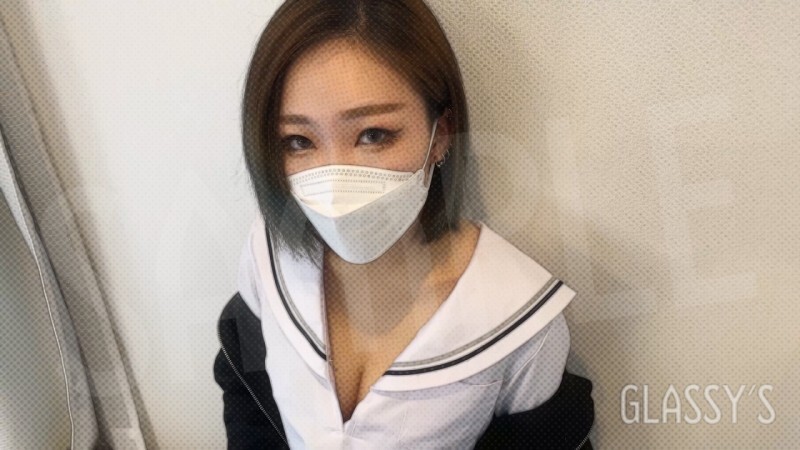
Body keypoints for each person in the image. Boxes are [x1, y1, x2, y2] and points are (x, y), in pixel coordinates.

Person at [213, 0, 595, 448]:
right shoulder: (268, 253)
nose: (335, 183)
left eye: (373, 135)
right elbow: (247, 393)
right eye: (298, 141)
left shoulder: (518, 320)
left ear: (441, 135)